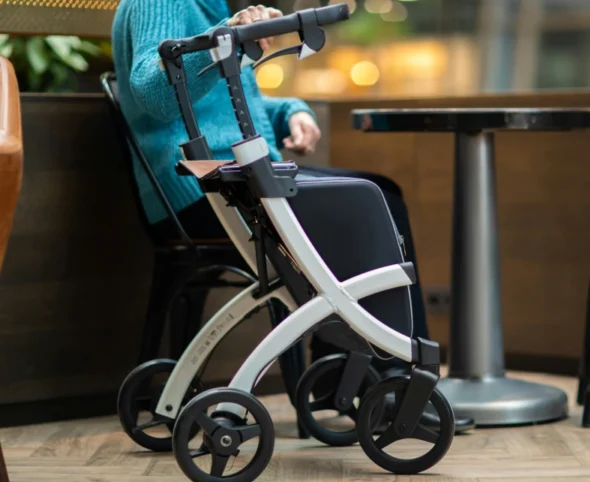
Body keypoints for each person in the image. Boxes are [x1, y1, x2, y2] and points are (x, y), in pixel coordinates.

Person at [112, 0, 473, 431]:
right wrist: (227, 38)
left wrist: (292, 110)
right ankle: (389, 381)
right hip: (201, 188)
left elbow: (231, 102)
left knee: (381, 194)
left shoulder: (207, 6)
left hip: (235, 177)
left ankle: (358, 375)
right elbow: (153, 93)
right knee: (371, 202)